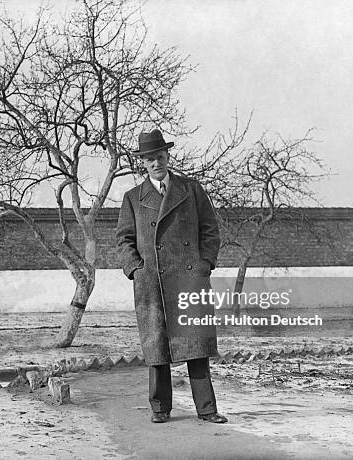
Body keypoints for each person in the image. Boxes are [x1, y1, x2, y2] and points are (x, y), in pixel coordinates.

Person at [116, 129, 228, 424]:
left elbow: (210, 230)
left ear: (168, 157)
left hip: (189, 278)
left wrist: (204, 264)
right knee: (157, 348)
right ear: (144, 163)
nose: (156, 163)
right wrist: (136, 269)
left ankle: (207, 409)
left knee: (196, 346)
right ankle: (160, 409)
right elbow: (123, 240)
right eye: (150, 159)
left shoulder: (191, 190)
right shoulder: (132, 198)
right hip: (152, 282)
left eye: (160, 157)